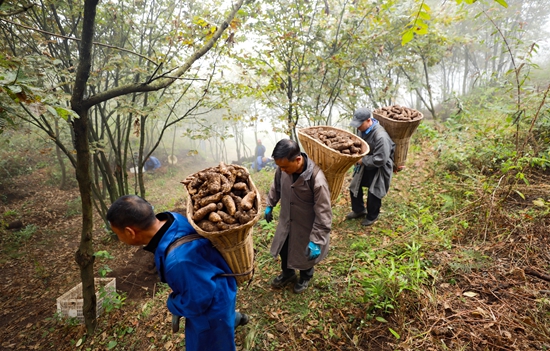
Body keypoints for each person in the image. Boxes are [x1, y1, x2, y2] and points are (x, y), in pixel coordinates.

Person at [106, 195, 248, 351]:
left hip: (212, 308)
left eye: (118, 234)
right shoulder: (173, 218)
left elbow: (197, 302)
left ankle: (227, 322)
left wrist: (173, 304)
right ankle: (232, 319)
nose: (120, 239)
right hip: (216, 281)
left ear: (130, 232)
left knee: (211, 344)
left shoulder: (178, 261)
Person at [264, 139, 332, 294]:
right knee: (284, 247)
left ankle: (305, 277)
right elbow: (276, 186)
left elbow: (324, 213)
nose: (282, 170)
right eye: (280, 167)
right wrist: (270, 204)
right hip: (287, 219)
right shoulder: (283, 169)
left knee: (304, 252)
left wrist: (316, 240)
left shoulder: (317, 180)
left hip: (306, 224)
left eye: (285, 167)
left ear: (298, 159)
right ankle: (288, 274)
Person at [346, 107, 395, 226]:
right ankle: (358, 210)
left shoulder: (381, 137)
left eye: (360, 124)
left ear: (369, 121)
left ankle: (372, 216)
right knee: (354, 187)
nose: (358, 127)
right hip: (365, 164)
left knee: (374, 193)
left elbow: (381, 159)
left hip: (379, 166)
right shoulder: (361, 130)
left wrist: (362, 160)